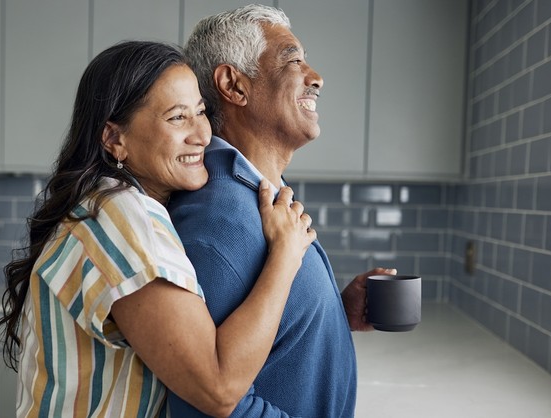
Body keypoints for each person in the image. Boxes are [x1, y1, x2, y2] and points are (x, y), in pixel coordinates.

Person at [0, 40, 318, 418]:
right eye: (177, 118)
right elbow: (219, 389)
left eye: (200, 112)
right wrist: (285, 256)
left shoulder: (112, 205)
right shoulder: (122, 220)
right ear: (115, 139)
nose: (202, 135)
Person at [166, 5, 396, 417]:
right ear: (234, 86)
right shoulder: (218, 218)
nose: (317, 77)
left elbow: (264, 339)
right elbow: (207, 402)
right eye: (293, 59)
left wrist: (335, 313)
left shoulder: (260, 195)